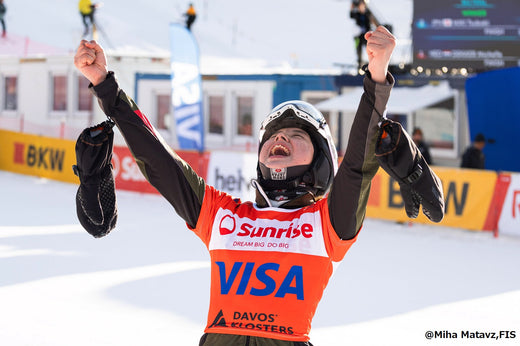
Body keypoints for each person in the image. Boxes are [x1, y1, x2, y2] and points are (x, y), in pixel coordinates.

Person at [74, 26, 408, 345]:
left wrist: (377, 77)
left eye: (296, 136)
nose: (280, 137)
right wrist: (104, 84)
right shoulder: (223, 216)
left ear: (320, 162)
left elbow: (356, 169)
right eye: (275, 135)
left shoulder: (326, 225)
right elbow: (160, 161)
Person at [350, 0, 379, 69]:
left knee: (369, 49)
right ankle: (359, 65)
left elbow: (374, 21)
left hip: (366, 35)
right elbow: (351, 15)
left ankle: (372, 64)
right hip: (358, 36)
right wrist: (351, 7)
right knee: (358, 50)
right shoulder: (357, 14)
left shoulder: (368, 14)